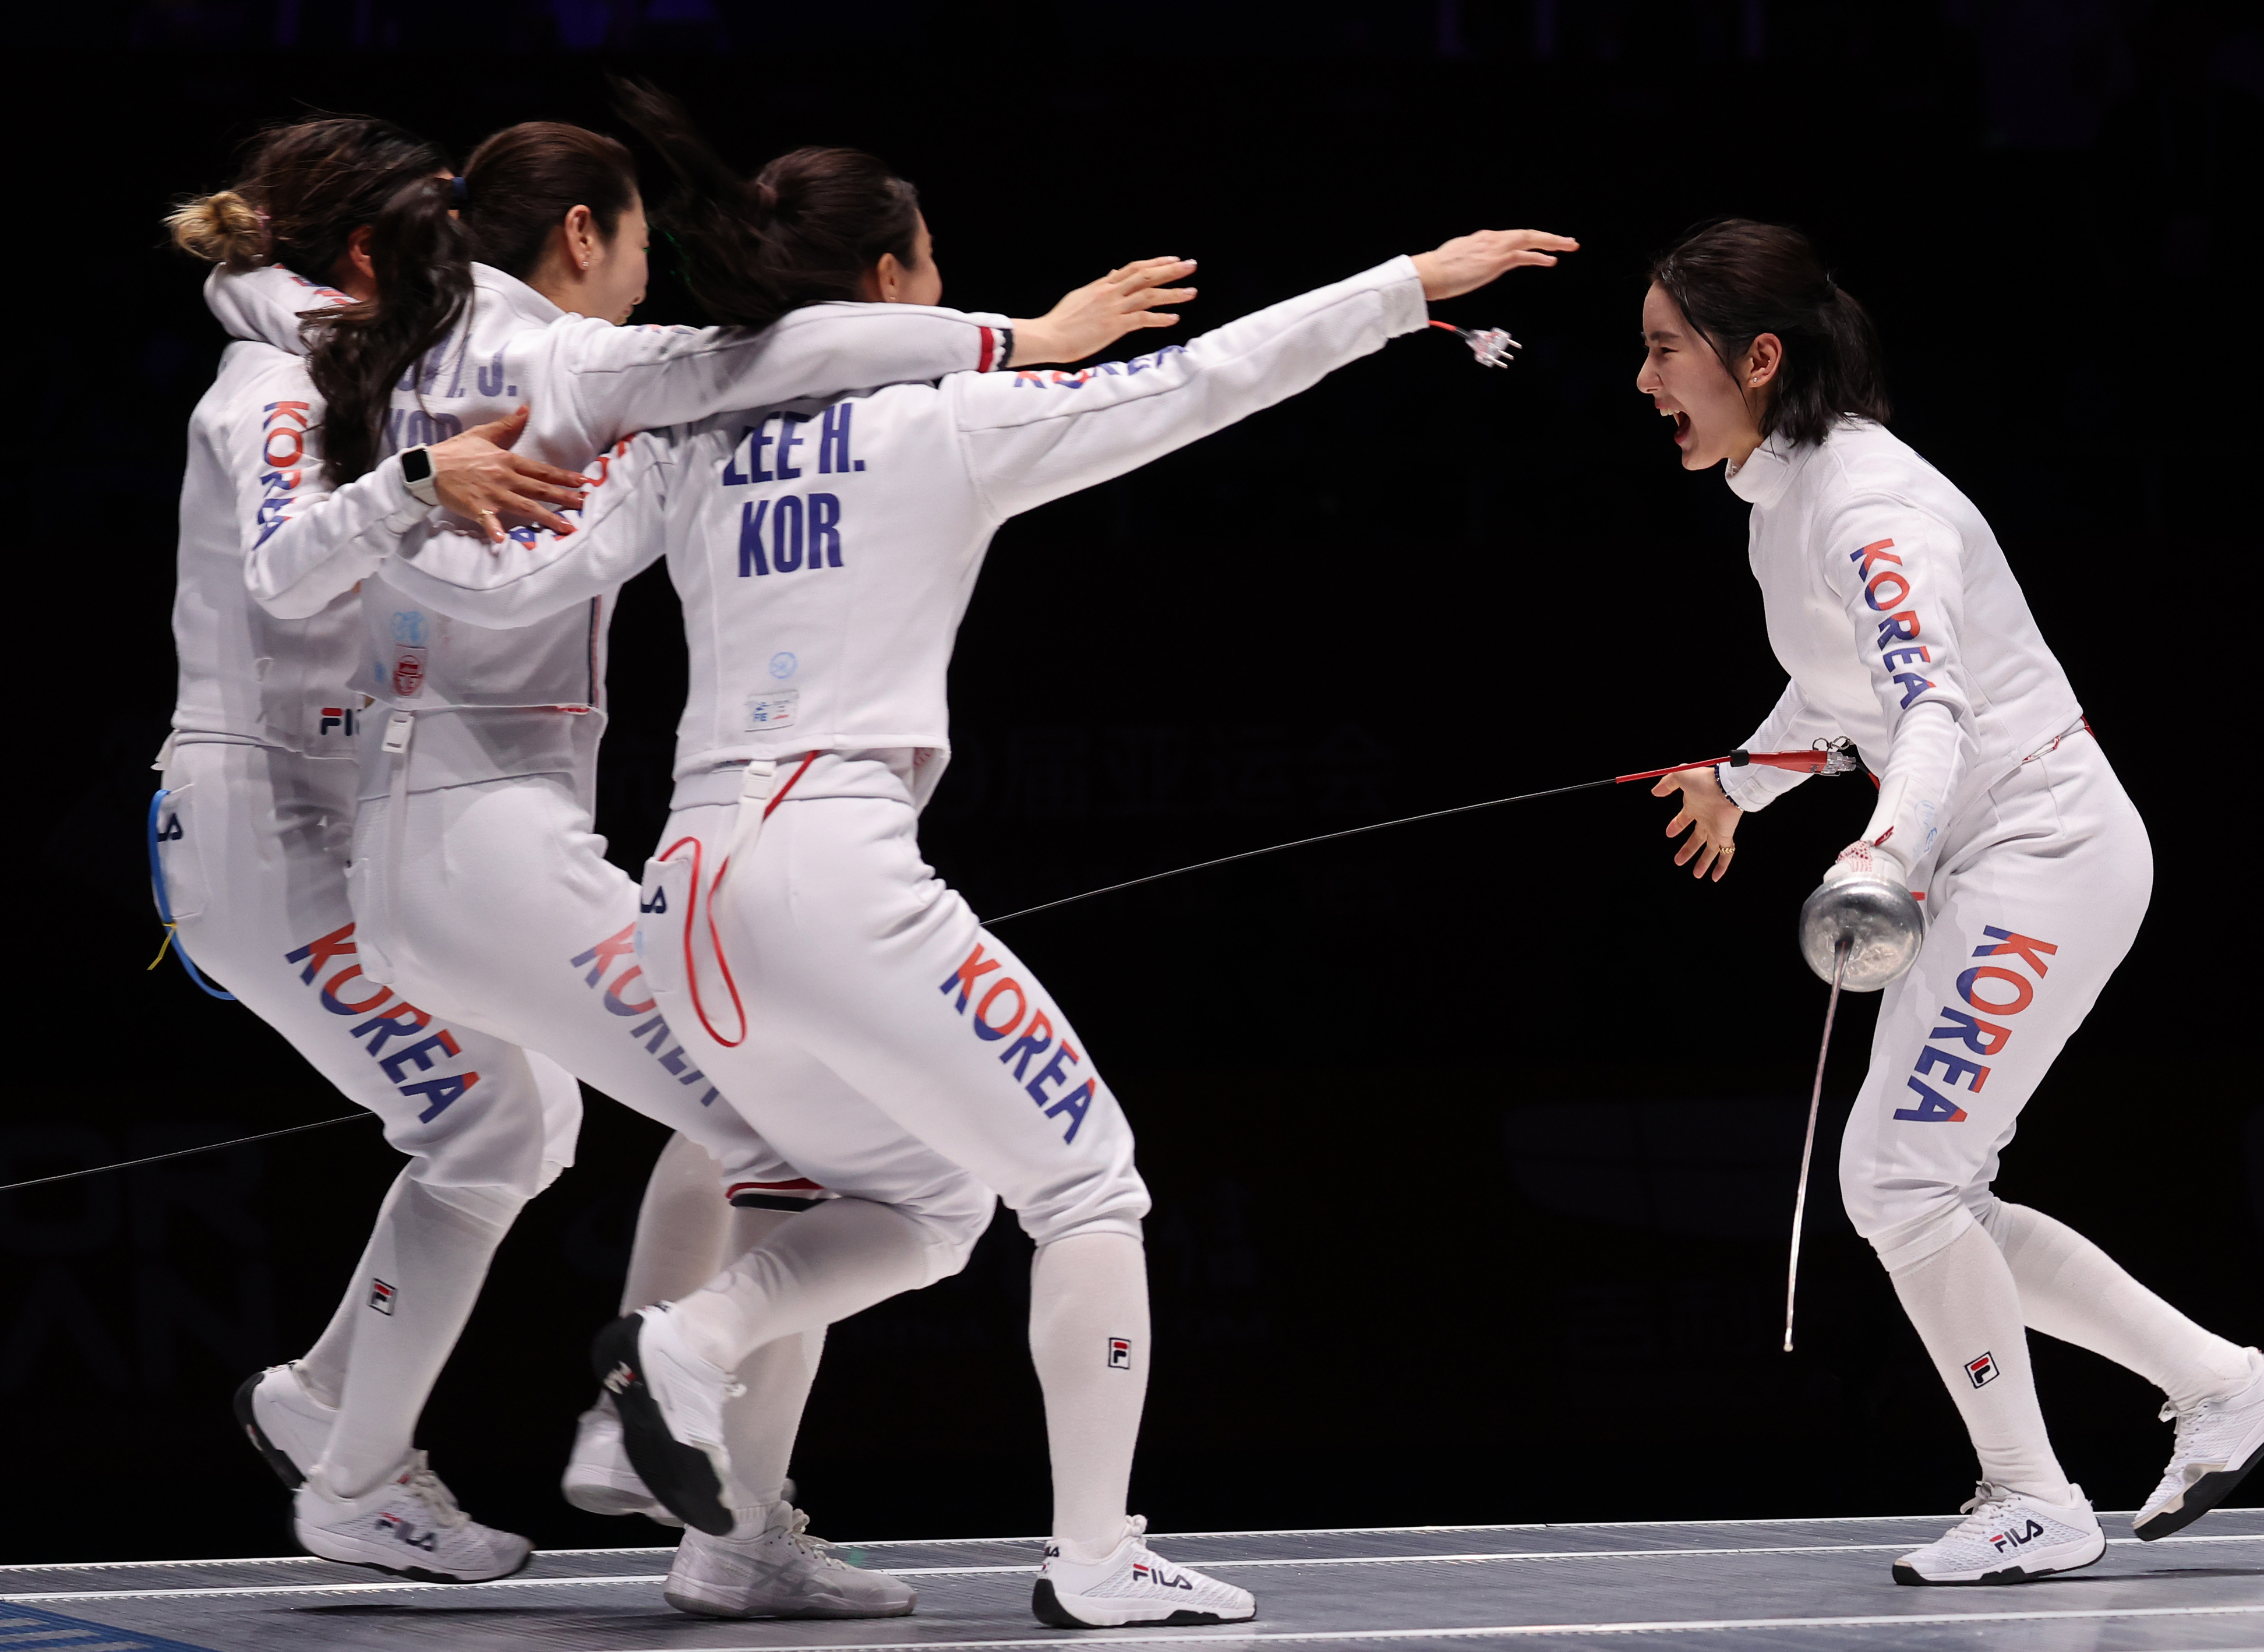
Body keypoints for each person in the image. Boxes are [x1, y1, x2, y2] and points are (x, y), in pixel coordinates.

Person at [361, 119, 1571, 1624]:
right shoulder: (946, 418)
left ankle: (683, 1345)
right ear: (889, 278)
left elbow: (517, 571)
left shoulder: (685, 448)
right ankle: (1098, 1557)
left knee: (921, 1199)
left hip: (684, 896)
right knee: (1090, 1187)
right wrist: (1405, 284)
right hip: (831, 870)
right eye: (928, 266)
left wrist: (396, 495)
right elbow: (1210, 379)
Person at [232, 107, 1195, 1617]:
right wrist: (1026, 339)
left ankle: (458, 1445)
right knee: (802, 1136)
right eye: (633, 247)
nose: (648, 280)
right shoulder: (560, 352)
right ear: (579, 237)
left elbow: (288, 565)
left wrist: (411, 495)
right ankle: (659, 1427)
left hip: (413, 844)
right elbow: (784, 356)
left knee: (686, 1129)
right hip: (491, 846)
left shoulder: (403, 352)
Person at [1636, 218, 2264, 1586]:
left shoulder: (1871, 510)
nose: (1643, 382)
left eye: (1662, 351)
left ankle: (2030, 1493)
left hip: (2039, 851)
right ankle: (2217, 1385)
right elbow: (1848, 695)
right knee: (1918, 1181)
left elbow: (1929, 703)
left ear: (1757, 358)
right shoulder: (1785, 496)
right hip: (1986, 854)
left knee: (1897, 1177)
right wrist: (1736, 781)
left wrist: (1877, 856)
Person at [164, 115, 584, 1583]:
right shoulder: (272, 391)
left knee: (531, 1111)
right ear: (363, 252)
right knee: (485, 1123)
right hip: (258, 831)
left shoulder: (342, 377)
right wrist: (417, 480)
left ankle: (324, 1398)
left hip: (321, 818)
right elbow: (289, 571)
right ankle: (354, 1482)